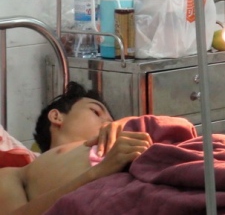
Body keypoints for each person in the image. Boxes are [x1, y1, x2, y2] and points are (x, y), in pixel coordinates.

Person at [0, 81, 153, 215]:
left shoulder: (125, 135)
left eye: (113, 120)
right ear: (56, 117)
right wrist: (96, 173)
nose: (108, 122)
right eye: (96, 112)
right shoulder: (17, 174)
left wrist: (132, 124)